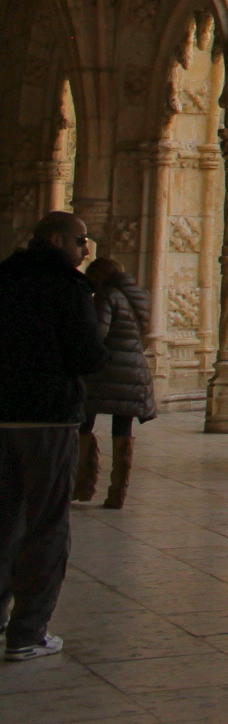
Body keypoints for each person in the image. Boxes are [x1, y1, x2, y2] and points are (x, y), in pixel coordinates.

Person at [0, 212, 104, 663]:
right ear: (57, 240)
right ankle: (28, 632)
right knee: (46, 523)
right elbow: (85, 355)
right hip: (48, 417)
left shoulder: (4, 276)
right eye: (81, 241)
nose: (86, 250)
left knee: (5, 520)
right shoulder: (67, 285)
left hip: (2, 415)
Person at [76, 260, 154, 509]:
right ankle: (117, 493)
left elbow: (98, 334)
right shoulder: (140, 296)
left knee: (84, 424)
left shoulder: (106, 295)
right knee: (122, 430)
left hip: (106, 371)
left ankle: (83, 485)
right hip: (133, 371)